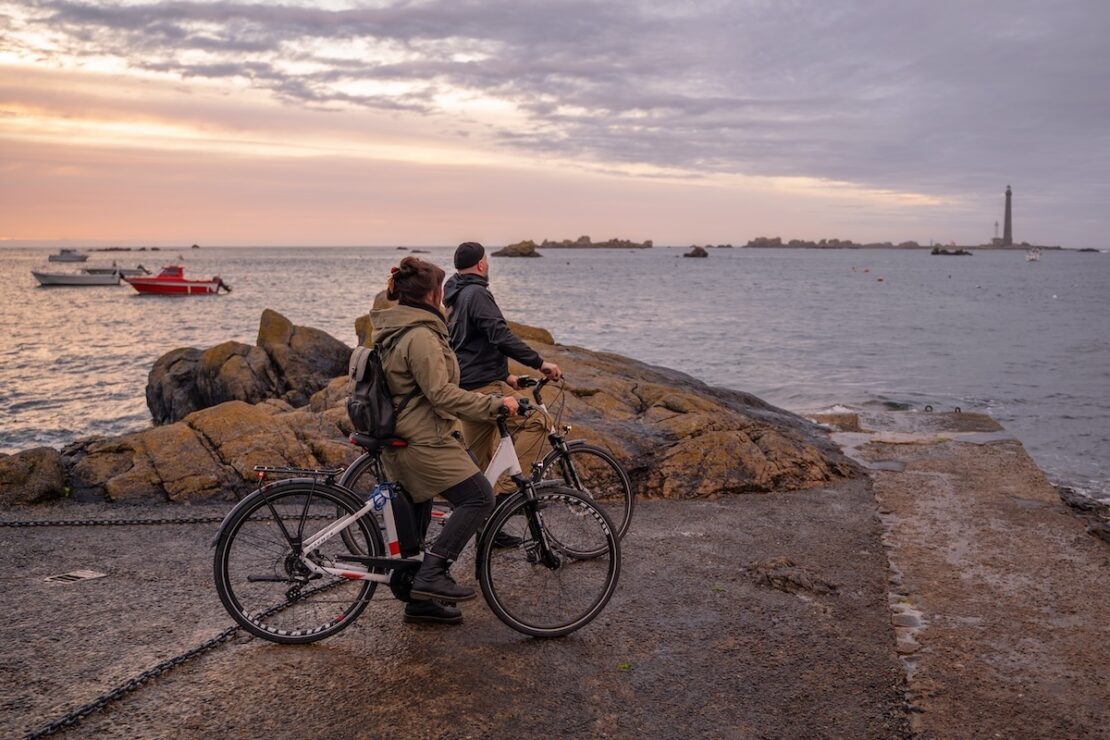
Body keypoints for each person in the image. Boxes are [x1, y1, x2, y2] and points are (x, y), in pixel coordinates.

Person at [370, 256, 519, 625]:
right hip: (422, 440)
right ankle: (433, 573)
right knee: (480, 496)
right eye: (440, 289)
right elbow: (441, 394)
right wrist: (494, 404)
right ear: (431, 295)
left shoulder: (402, 327)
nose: (444, 295)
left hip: (409, 434)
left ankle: (419, 600)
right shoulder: (420, 336)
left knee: (419, 520)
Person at [442, 242, 561, 485]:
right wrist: (540, 363)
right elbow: (499, 335)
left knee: (478, 465)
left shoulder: (455, 296)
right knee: (540, 422)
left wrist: (505, 376)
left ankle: (482, 515)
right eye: (486, 260)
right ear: (481, 264)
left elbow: (468, 343)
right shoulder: (477, 294)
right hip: (485, 388)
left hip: (467, 387)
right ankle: (511, 489)